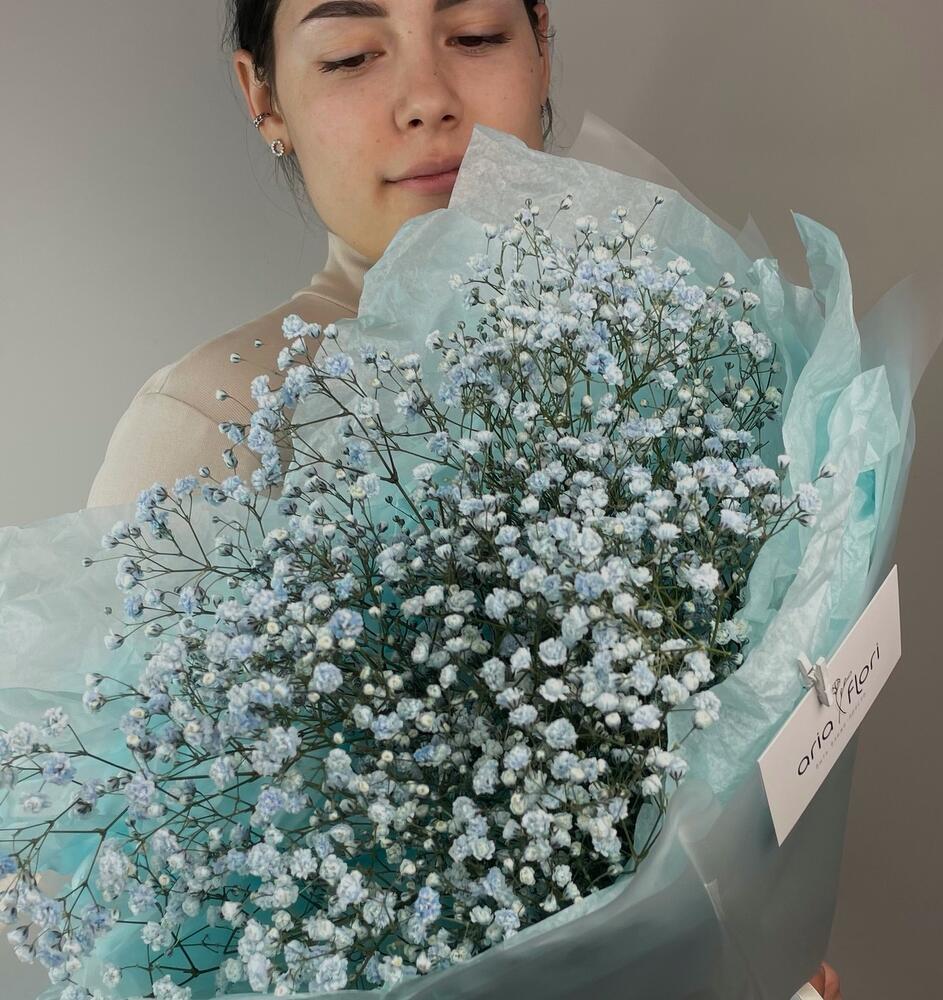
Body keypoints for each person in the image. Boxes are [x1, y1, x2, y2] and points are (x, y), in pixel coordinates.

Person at [83, 2, 844, 996]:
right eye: (351, 54)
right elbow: (154, 902)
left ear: (541, 43)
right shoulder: (204, 431)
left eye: (476, 33)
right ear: (263, 94)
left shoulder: (679, 350)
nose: (428, 100)